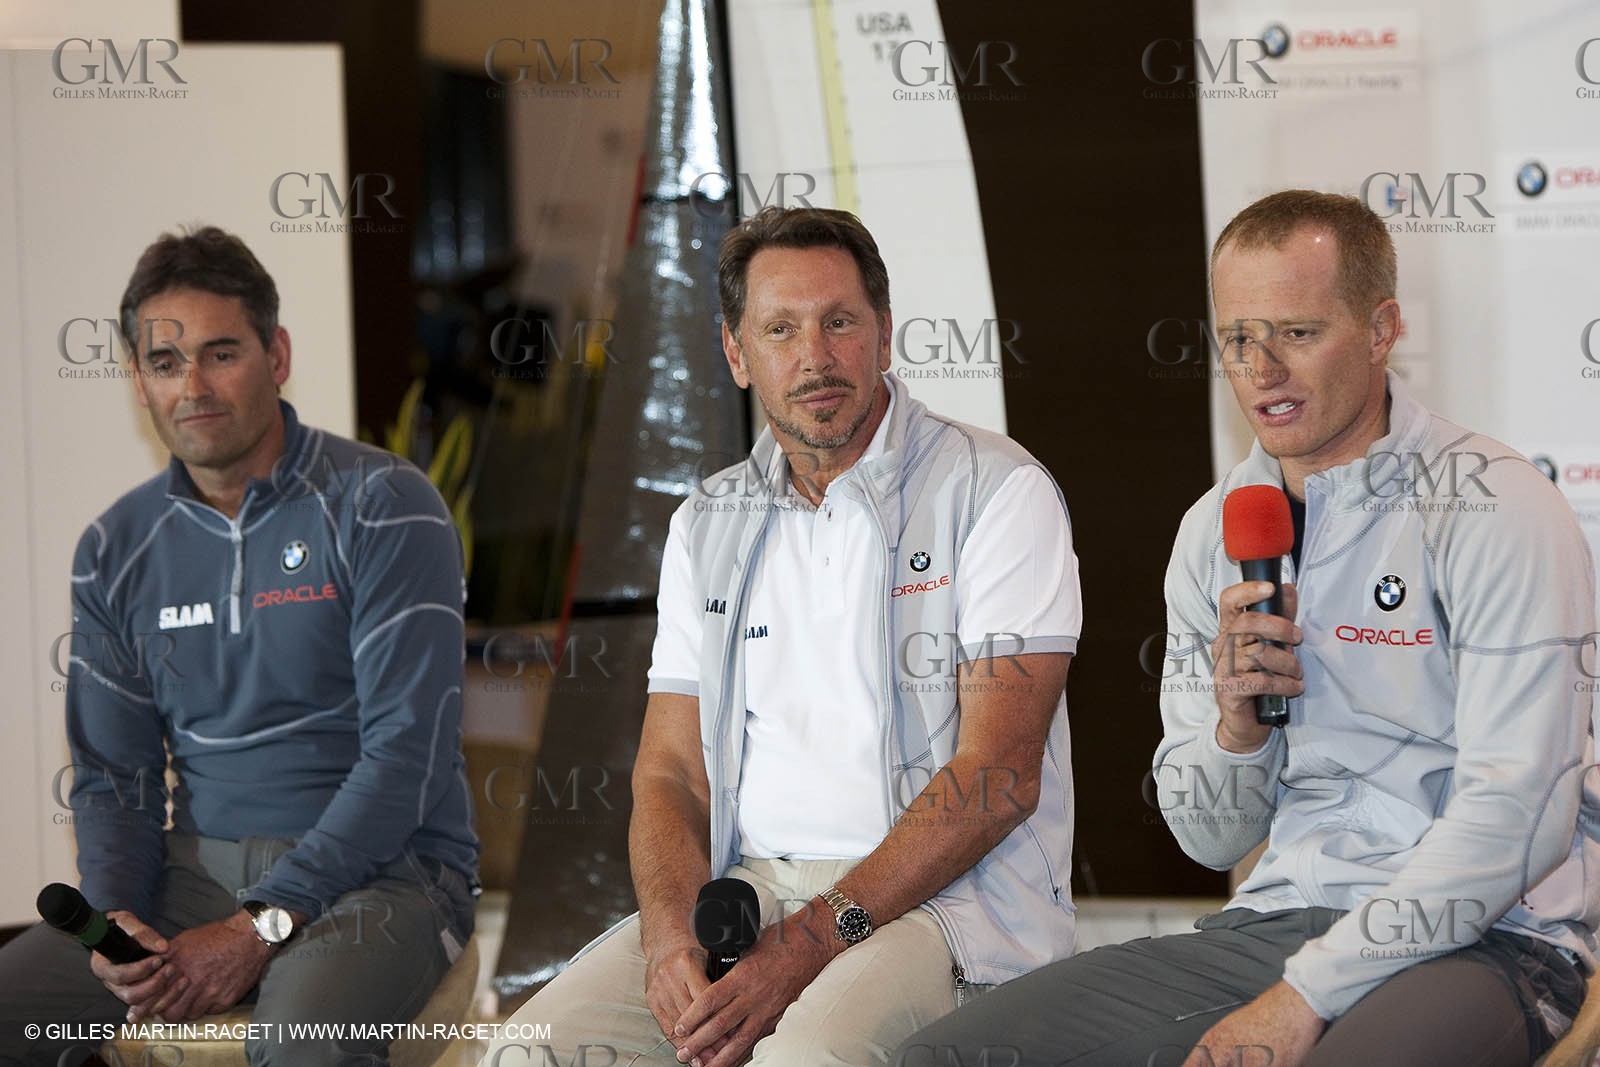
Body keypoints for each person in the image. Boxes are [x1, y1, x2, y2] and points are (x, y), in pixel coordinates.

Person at [899, 189, 1600, 1067]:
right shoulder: (1215, 529)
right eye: (1237, 338)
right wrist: (1234, 728)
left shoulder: (1491, 504)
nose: (1261, 367)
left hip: (1491, 934)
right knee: (946, 1060)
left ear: (1383, 330)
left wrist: (1305, 995)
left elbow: (1519, 815)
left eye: (1297, 333)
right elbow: (1209, 836)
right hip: (1279, 920)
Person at [480, 206, 1081, 1067]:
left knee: (804, 1060)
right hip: (752, 892)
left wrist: (808, 941)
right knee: (529, 1053)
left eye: (840, 321)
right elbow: (672, 771)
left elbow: (998, 774)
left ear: (883, 334)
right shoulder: (706, 522)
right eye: (780, 329)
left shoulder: (996, 490)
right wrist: (668, 939)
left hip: (944, 899)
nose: (816, 356)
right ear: (737, 353)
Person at [0, 227, 479, 1067]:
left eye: (222, 353)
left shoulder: (383, 504)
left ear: (278, 353)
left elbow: (407, 756)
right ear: (138, 380)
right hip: (196, 869)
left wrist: (261, 923)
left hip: (387, 874)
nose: (194, 386)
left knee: (297, 1044)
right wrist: (116, 919)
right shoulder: (117, 545)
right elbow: (116, 776)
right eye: (164, 362)